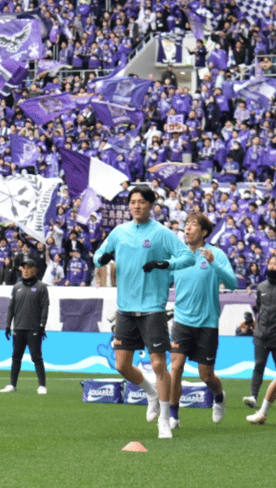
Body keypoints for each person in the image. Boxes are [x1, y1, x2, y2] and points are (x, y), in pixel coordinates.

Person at [93, 185, 195, 439]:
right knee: (121, 364)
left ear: (151, 205)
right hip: (125, 309)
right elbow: (97, 255)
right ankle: (150, 392)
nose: (136, 206)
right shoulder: (119, 232)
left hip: (153, 309)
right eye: (133, 202)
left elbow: (188, 258)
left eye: (141, 202)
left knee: (159, 363)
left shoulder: (161, 233)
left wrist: (163, 263)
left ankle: (164, 419)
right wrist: (102, 259)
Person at [167, 212, 236, 428]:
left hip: (207, 323)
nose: (187, 229)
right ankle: (173, 415)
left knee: (206, 376)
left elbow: (232, 283)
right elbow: (162, 282)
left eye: (193, 225)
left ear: (204, 232)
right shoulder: (178, 256)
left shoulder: (216, 254)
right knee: (176, 367)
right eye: (186, 225)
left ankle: (219, 397)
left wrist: (213, 263)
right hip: (181, 322)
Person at [0, 253, 50, 394]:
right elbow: (11, 308)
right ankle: (12, 385)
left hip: (34, 328)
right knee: (16, 357)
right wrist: (8, 325)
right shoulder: (16, 287)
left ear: (35, 270)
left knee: (37, 357)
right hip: (19, 328)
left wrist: (42, 326)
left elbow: (45, 307)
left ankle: (42, 385)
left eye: (29, 268)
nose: (26, 270)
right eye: (24, 268)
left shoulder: (41, 287)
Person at [243, 254, 276, 411]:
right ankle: (253, 397)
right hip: (261, 335)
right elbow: (260, 309)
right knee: (259, 365)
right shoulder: (261, 287)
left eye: (275, 264)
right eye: (270, 263)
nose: (272, 266)